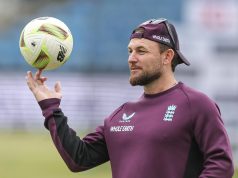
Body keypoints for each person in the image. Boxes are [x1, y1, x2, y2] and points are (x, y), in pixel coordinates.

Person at [25, 18, 234, 178]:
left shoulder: (196, 104)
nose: (131, 59)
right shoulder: (121, 115)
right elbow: (78, 158)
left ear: (167, 57)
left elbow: (221, 165)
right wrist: (50, 108)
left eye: (141, 51)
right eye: (130, 51)